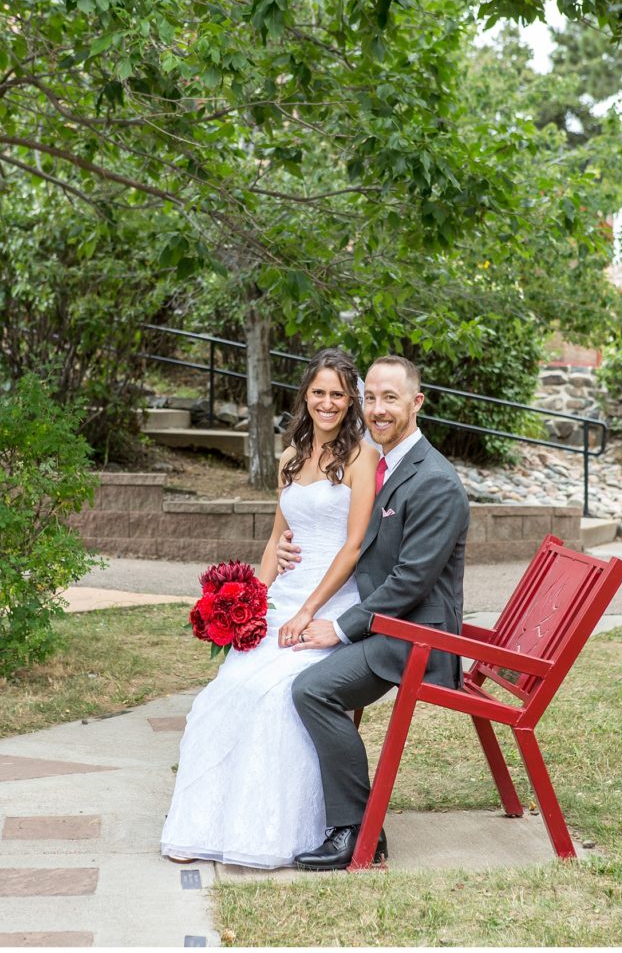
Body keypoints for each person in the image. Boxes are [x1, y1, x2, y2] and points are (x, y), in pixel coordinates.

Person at [160, 348, 379, 868]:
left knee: (275, 697)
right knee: (226, 690)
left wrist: (308, 612)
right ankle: (212, 822)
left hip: (328, 601)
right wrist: (250, 604)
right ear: (306, 395)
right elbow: (276, 538)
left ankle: (286, 829)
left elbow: (353, 547)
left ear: (351, 402)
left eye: (338, 394)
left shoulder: (361, 459)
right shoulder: (290, 457)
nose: (327, 402)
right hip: (282, 599)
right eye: (319, 392)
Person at [278, 355, 470, 870]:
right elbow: (357, 542)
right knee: (288, 672)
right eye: (373, 398)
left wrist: (338, 627)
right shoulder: (385, 464)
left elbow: (411, 581)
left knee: (311, 688)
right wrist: (287, 551)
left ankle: (356, 831)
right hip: (386, 623)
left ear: (416, 402)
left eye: (392, 398)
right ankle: (300, 811)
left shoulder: (435, 481)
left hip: (416, 639)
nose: (379, 409)